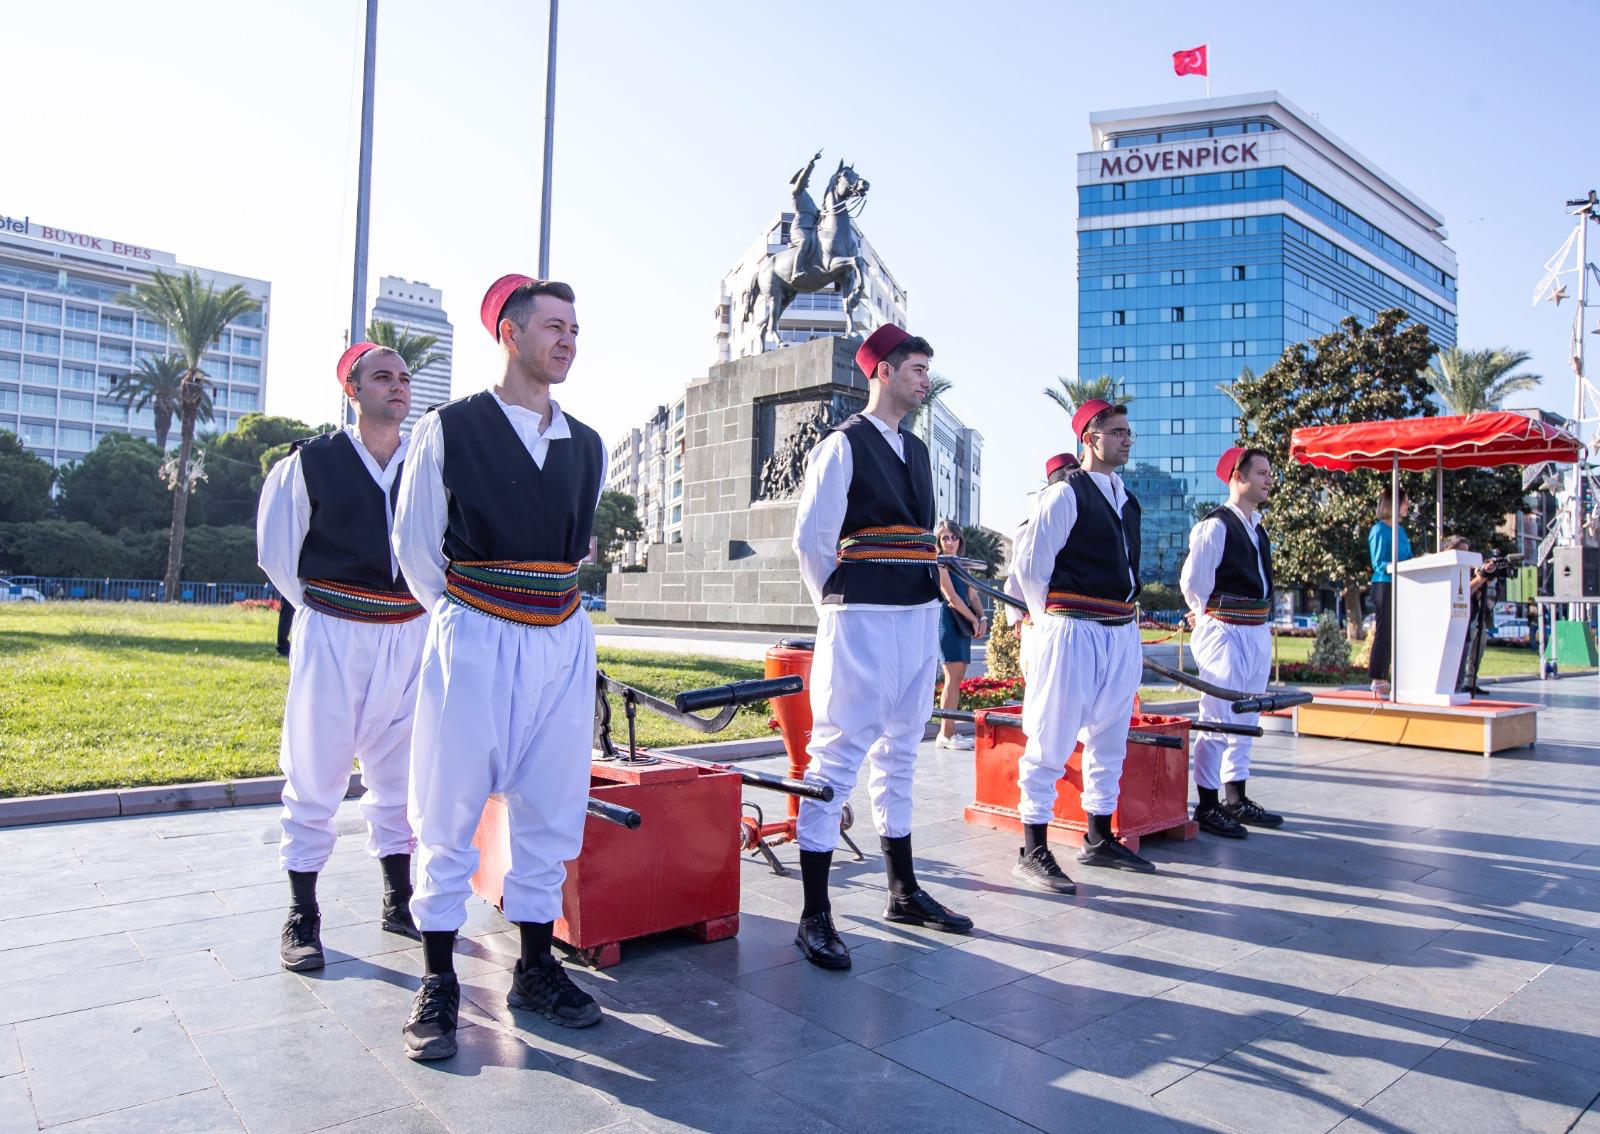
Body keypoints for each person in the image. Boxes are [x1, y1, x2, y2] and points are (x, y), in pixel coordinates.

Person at [392, 274, 608, 1060]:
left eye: (575, 329)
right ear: (510, 334)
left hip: (560, 634)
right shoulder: (449, 429)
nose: (568, 341)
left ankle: (536, 965)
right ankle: (439, 978)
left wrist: (540, 618)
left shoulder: (588, 443)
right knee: (448, 810)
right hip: (477, 631)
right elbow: (418, 551)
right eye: (554, 326)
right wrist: (471, 619)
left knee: (551, 808)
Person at [790, 323, 974, 971]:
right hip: (862, 615)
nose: (925, 379)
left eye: (926, 368)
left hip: (917, 614)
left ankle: (903, 889)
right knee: (835, 760)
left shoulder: (918, 454)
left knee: (901, 753)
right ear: (883, 372)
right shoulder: (842, 446)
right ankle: (814, 913)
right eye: (915, 368)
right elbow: (812, 541)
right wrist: (839, 605)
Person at [255, 342, 429, 973]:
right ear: (352, 390)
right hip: (334, 631)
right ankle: (303, 912)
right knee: (315, 769)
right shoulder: (311, 463)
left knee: (402, 774)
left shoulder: (428, 464)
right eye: (382, 376)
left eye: (404, 377)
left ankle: (398, 898)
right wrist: (332, 612)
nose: (398, 386)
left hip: (410, 633)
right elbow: (278, 554)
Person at [1012, 400, 1151, 893]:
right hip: (1072, 627)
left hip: (1119, 629)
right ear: (1090, 439)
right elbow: (1031, 570)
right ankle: (1032, 846)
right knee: (1050, 737)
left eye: (1128, 431)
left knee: (1110, 736)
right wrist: (1051, 623)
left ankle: (1099, 834)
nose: (1126, 439)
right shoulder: (1064, 494)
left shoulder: (1128, 500)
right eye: (1116, 432)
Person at [1179, 446, 1284, 839]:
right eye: (1261, 472)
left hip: (1255, 628)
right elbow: (1194, 582)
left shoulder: (1258, 526)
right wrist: (1206, 615)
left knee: (1248, 713)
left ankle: (1235, 798)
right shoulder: (1215, 526)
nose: (1268, 479)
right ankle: (1206, 804)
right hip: (1225, 629)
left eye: (1269, 472)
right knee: (1218, 715)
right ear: (1237, 477)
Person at [934, 518, 988, 749]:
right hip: (949, 621)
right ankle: (946, 734)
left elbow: (972, 595)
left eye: (954, 537)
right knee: (952, 680)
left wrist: (982, 618)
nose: (950, 542)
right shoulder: (940, 563)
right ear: (938, 540)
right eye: (945, 537)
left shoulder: (960, 563)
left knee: (956, 680)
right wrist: (973, 619)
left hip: (963, 622)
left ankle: (948, 732)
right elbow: (951, 597)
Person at [1367, 491, 1413, 698]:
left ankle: (1395, 676)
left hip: (1402, 584)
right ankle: (1378, 679)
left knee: (1399, 634)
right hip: (1384, 585)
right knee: (1384, 632)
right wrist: (1399, 566)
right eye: (1405, 502)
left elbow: (1409, 556)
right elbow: (1378, 563)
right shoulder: (1379, 530)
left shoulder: (1401, 531)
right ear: (1392, 504)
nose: (1408, 505)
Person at [1443, 536, 1493, 696]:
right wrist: (1480, 579)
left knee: (1463, 659)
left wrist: (1483, 578)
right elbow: (1463, 591)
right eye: (1462, 551)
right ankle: (1454, 690)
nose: (1466, 555)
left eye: (1467, 552)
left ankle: (1460, 688)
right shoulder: (1449, 569)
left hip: (1467, 620)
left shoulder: (1467, 570)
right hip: (1452, 624)